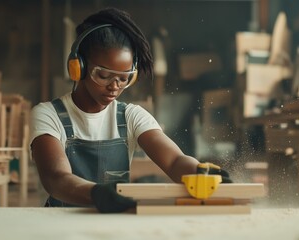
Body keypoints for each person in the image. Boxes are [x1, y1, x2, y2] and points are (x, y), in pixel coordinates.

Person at [30, 7, 231, 213]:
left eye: (124, 78)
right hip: (59, 224)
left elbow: (174, 161)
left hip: (114, 224)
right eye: (104, 75)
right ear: (78, 67)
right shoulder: (48, 114)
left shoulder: (130, 116)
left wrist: (198, 172)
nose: (114, 86)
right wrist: (97, 194)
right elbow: (55, 178)